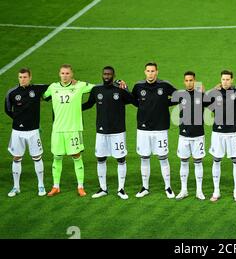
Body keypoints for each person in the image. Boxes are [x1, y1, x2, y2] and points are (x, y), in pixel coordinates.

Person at [82, 66, 135, 200]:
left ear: (113, 75)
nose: (106, 76)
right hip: (101, 131)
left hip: (118, 132)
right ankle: (103, 188)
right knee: (100, 159)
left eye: (109, 74)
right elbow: (88, 104)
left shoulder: (119, 90)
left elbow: (135, 101)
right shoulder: (96, 90)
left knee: (121, 159)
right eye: (105, 74)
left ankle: (121, 189)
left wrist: (126, 89)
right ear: (102, 75)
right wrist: (71, 109)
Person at [43, 64, 96, 197]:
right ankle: (56, 186)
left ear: (72, 75)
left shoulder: (80, 86)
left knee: (76, 156)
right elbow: (42, 95)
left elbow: (97, 87)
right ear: (59, 74)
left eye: (67, 73)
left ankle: (80, 187)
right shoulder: (53, 87)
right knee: (57, 157)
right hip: (58, 130)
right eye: (62, 73)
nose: (65, 76)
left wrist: (117, 84)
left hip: (73, 129)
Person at [132, 62, 177, 199]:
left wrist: (165, 103)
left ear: (157, 72)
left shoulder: (164, 85)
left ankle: (168, 187)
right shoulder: (138, 86)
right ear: (145, 72)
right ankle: (145, 187)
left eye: (153, 71)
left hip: (160, 128)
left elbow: (179, 96)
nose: (150, 73)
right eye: (148, 71)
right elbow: (133, 100)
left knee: (163, 157)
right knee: (144, 157)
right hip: (143, 129)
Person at [4, 68, 48, 197]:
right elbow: (7, 109)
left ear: (30, 77)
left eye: (24, 77)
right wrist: (18, 119)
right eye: (20, 77)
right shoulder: (12, 93)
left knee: (37, 157)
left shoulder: (38, 89)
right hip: (17, 131)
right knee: (17, 157)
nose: (22, 79)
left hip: (33, 131)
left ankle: (41, 185)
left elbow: (54, 88)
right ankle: (16, 187)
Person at [206, 70, 236, 202]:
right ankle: (216, 191)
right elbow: (202, 100)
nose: (225, 82)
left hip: (233, 133)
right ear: (220, 79)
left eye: (228, 79)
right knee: (216, 160)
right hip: (217, 133)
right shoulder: (214, 93)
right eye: (223, 79)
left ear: (232, 80)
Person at [171, 71, 211, 200]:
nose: (189, 82)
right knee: (184, 162)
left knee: (198, 163)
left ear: (195, 81)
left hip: (198, 135)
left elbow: (214, 104)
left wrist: (206, 92)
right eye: (186, 80)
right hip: (183, 135)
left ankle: (199, 191)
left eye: (191, 80)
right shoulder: (180, 95)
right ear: (184, 82)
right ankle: (184, 190)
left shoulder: (201, 95)